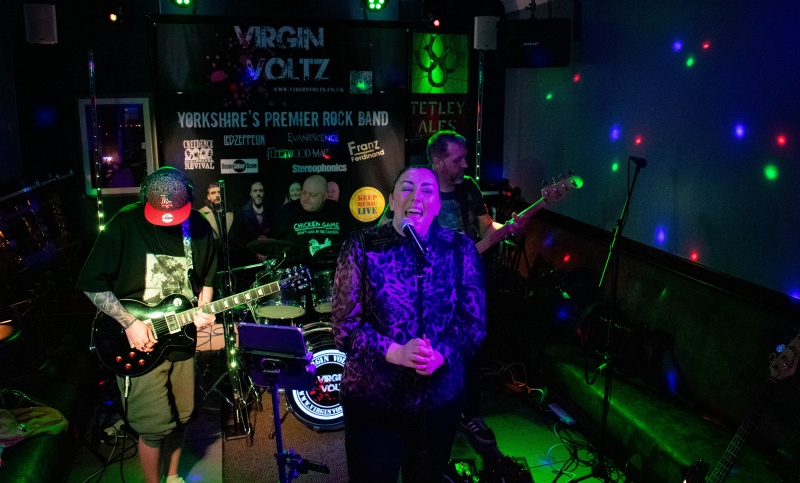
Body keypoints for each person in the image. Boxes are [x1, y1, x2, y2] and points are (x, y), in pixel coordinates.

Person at [332, 165, 486, 483]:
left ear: (438, 204)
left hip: (438, 400)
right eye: (406, 188)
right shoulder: (362, 245)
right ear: (391, 200)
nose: (416, 196)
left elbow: (473, 324)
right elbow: (345, 328)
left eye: (427, 190)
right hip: (373, 400)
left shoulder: (460, 249)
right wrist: (396, 353)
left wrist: (441, 354)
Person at [75, 166, 217, 483]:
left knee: (181, 417)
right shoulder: (124, 223)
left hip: (181, 339)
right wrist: (129, 323)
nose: (168, 222)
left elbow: (208, 276)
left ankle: (173, 476)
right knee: (153, 427)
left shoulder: (199, 226)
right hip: (138, 342)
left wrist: (204, 309)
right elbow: (91, 284)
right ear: (143, 198)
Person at [269, 174, 351, 267]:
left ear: (324, 196)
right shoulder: (286, 212)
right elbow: (272, 244)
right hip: (295, 271)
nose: (306, 198)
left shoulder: (340, 212)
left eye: (312, 195)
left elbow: (353, 244)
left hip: (333, 270)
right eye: (304, 193)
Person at [229, 181, 271, 265]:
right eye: (255, 191)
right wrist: (253, 250)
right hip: (249, 261)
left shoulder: (271, 211)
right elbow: (234, 238)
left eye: (260, 190)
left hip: (270, 259)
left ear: (264, 193)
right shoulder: (242, 213)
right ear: (251, 194)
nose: (258, 194)